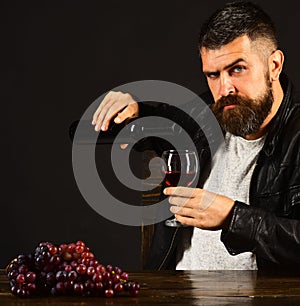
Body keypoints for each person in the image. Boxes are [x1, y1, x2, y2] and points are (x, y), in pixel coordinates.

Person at [92, 1, 300, 270]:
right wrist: (132, 111)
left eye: (237, 69)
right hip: (175, 294)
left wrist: (232, 217)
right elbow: (150, 129)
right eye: (213, 74)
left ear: (274, 65)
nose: (224, 88)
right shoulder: (202, 115)